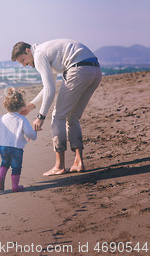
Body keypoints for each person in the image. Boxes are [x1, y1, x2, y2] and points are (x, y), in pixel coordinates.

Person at [11, 39, 102, 176]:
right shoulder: (45, 50)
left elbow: (50, 90)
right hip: (95, 70)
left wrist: (41, 116)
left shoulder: (39, 54)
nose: (24, 65)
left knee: (57, 117)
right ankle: (78, 162)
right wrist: (31, 106)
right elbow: (49, 86)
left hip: (78, 69)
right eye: (21, 63)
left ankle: (59, 166)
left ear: (28, 51)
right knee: (72, 117)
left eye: (23, 60)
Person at [0, 88, 37, 192]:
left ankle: (1, 177)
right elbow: (29, 133)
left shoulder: (2, 118)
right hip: (16, 148)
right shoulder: (21, 119)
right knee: (16, 166)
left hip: (3, 147)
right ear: (22, 106)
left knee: (4, 162)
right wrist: (34, 134)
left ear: (5, 105)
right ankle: (15, 186)